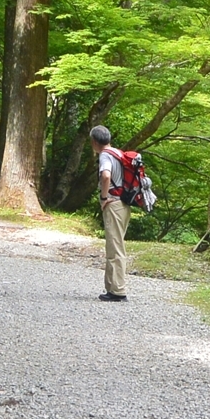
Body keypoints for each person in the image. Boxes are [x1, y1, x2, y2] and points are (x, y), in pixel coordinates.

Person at [90, 125, 128, 302]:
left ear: (95, 142)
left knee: (115, 247)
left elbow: (106, 176)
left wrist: (104, 198)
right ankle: (112, 288)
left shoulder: (105, 155)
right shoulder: (118, 153)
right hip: (123, 204)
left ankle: (117, 291)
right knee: (115, 245)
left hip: (113, 203)